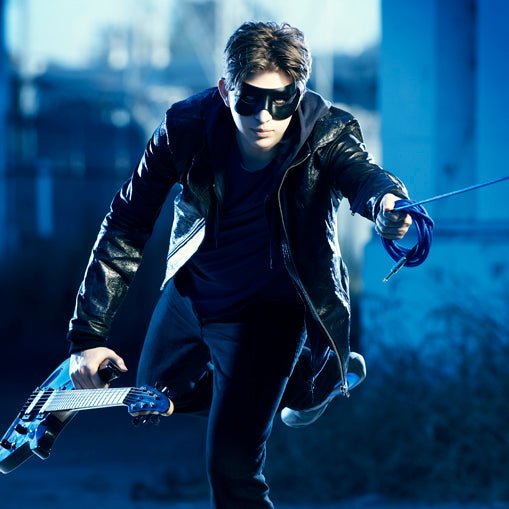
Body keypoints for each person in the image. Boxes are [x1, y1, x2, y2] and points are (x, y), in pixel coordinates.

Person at [67, 21, 411, 508]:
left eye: (280, 101)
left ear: (298, 95)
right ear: (227, 89)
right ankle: (306, 383)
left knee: (231, 469)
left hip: (269, 315)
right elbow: (127, 221)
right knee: (150, 399)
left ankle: (306, 383)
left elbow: (365, 177)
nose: (264, 116)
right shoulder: (185, 128)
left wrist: (387, 205)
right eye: (250, 99)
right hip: (194, 294)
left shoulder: (327, 134)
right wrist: (88, 336)